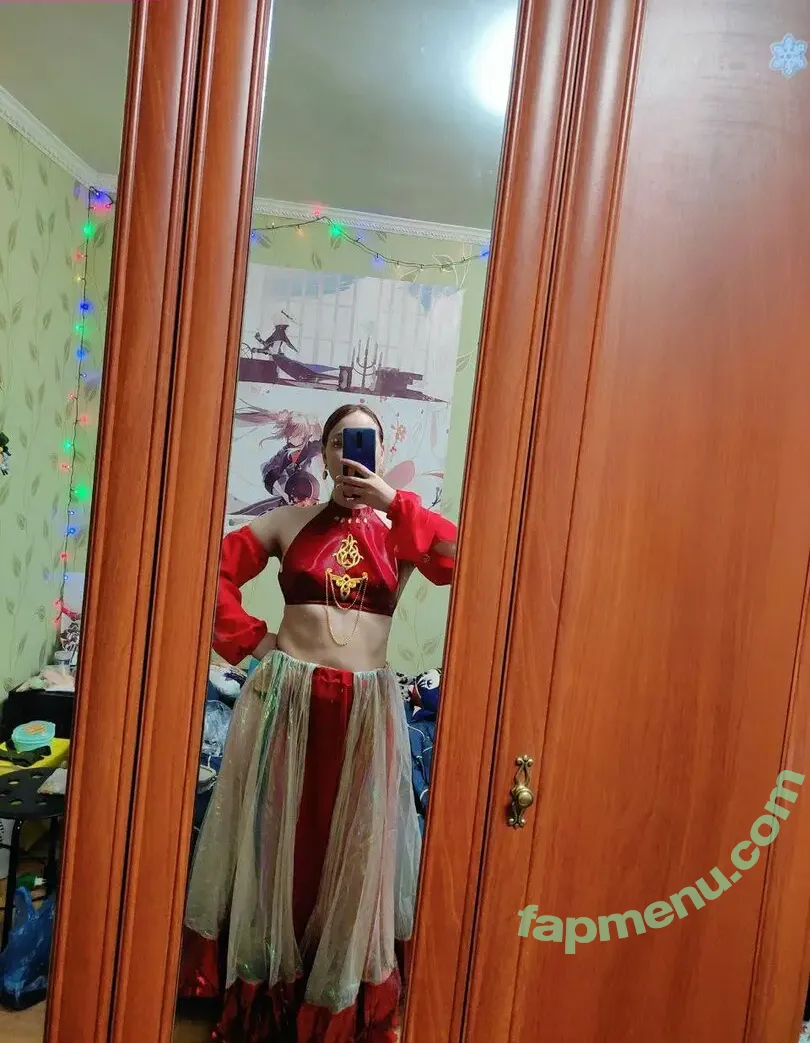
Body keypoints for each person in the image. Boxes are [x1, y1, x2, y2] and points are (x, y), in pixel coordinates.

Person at [178, 403, 457, 1043]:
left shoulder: (400, 530)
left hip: (366, 709)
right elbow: (208, 571)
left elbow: (456, 557)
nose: (350, 452)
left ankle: (336, 1001)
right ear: (324, 453)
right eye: (339, 440)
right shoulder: (288, 521)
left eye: (365, 440)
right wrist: (252, 641)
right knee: (278, 840)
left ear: (380, 451)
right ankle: (268, 995)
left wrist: (393, 501)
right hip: (289, 700)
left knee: (356, 850)